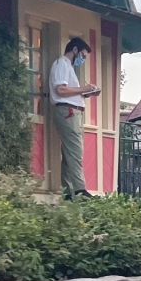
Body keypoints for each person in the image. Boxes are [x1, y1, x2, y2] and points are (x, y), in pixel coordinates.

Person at [49, 37, 98, 199]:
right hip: (68, 111)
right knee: (75, 150)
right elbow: (60, 90)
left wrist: (85, 92)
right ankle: (79, 189)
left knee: (69, 153)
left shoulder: (67, 66)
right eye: (83, 55)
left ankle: (68, 192)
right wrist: (83, 88)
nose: (82, 59)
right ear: (75, 49)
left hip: (72, 110)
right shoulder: (62, 64)